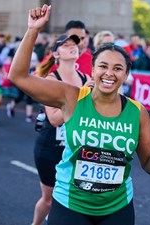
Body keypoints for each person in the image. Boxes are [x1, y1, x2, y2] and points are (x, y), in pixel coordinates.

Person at [9, 5, 150, 225]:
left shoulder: (136, 113)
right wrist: (32, 30)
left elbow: (148, 166)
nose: (109, 73)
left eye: (118, 68)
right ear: (92, 69)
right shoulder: (70, 97)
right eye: (103, 66)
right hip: (70, 204)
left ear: (126, 74)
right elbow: (18, 76)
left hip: (116, 208)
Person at [32, 34, 89, 225]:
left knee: (73, 200)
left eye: (74, 44)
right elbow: (55, 119)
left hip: (76, 148)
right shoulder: (51, 80)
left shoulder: (85, 78)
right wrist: (81, 95)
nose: (73, 47)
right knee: (49, 200)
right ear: (56, 53)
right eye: (66, 45)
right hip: (51, 147)